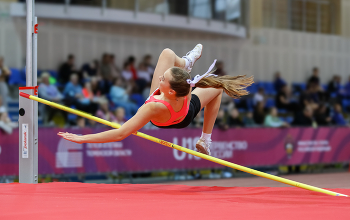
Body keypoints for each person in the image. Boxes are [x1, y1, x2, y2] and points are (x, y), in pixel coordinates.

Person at [58, 44, 254, 155]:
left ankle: (186, 64)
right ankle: (206, 139)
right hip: (183, 113)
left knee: (168, 54)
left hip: (164, 116)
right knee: (217, 87)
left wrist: (82, 138)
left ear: (169, 90)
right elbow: (190, 84)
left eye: (163, 79)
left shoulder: (152, 107)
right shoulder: (185, 89)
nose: (159, 78)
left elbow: (120, 134)